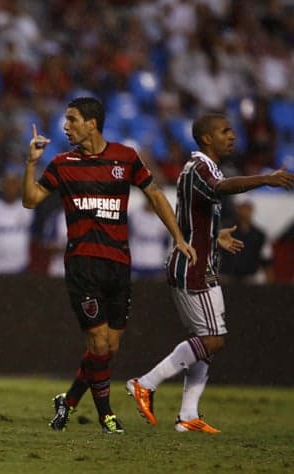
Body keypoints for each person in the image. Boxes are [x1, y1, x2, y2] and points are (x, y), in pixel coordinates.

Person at [21, 97, 197, 435]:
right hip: (82, 266)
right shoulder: (62, 163)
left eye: (72, 120)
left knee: (109, 348)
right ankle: (106, 417)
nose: (65, 126)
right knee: (98, 344)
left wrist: (178, 237)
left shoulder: (125, 158)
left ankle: (68, 401)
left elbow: (156, 194)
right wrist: (30, 163)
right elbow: (31, 200)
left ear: (92, 123)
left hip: (118, 264)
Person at [125, 113, 294, 433]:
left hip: (202, 263)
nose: (232, 136)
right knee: (213, 340)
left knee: (205, 341)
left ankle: (188, 414)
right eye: (224, 131)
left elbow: (188, 217)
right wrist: (264, 179)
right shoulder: (200, 168)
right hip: (192, 267)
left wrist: (215, 236)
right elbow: (223, 187)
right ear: (206, 139)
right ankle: (145, 383)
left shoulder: (203, 169)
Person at [0, 172, 35, 275]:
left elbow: (37, 236)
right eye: (7, 184)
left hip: (20, 265)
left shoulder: (27, 208)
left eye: (13, 184)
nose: (10, 188)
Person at [219, 198, 274, 284]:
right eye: (243, 207)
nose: (245, 211)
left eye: (248, 208)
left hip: (250, 279)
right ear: (237, 209)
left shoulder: (260, 235)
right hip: (226, 278)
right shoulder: (226, 231)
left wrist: (271, 285)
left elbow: (266, 260)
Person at [128, 200, 172, 280]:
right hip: (136, 264)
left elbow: (167, 243)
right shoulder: (134, 214)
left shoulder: (166, 217)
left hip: (156, 265)